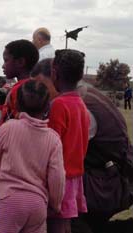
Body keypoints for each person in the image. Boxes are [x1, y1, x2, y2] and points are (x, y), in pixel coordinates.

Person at [31, 55, 133, 233]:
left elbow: (56, 154)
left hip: (104, 186)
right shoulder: (85, 97)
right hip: (109, 180)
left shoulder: (75, 106)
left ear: (54, 76)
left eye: (42, 86)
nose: (39, 93)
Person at [0, 80, 65, 233]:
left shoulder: (8, 128)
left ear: (17, 104)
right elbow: (57, 176)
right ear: (46, 107)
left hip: (10, 200)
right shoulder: (53, 139)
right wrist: (56, 204)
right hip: (38, 203)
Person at [47, 49, 90, 233]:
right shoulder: (80, 104)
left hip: (59, 178)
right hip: (74, 177)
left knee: (56, 225)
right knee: (64, 225)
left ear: (54, 73)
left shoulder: (58, 105)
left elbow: (51, 146)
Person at [0, 39, 39, 125]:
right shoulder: (36, 87)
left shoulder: (19, 90)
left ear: (20, 62)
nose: (3, 66)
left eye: (6, 60)